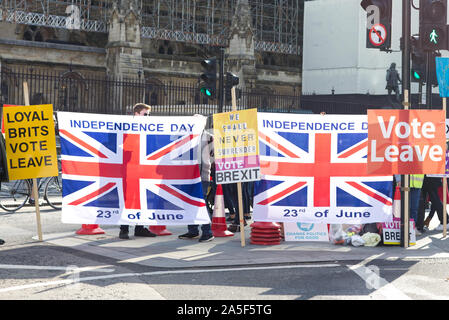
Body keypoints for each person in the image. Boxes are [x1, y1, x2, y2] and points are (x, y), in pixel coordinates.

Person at [119, 103, 157, 239]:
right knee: (129, 199)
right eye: (145, 114)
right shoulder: (128, 128)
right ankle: (124, 229)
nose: (148, 117)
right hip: (130, 169)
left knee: (143, 199)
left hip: (143, 169)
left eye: (149, 114)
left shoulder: (149, 129)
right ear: (136, 114)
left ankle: (140, 228)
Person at [178, 116, 215, 242]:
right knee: (189, 202)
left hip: (201, 175)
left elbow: (215, 153)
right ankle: (193, 230)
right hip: (187, 175)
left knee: (200, 204)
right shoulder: (186, 136)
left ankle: (207, 232)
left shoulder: (209, 137)